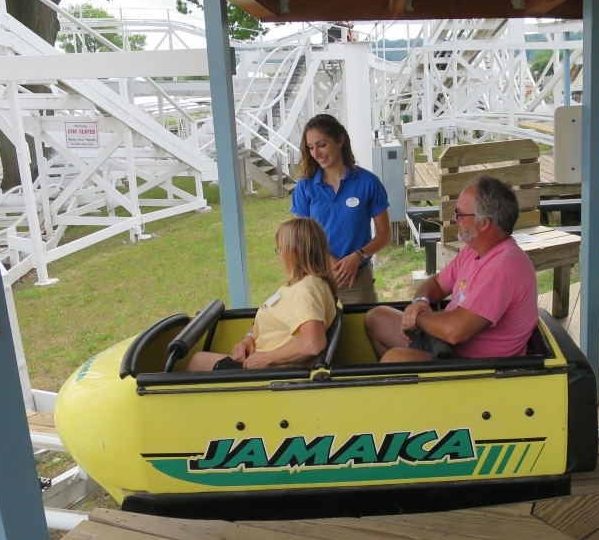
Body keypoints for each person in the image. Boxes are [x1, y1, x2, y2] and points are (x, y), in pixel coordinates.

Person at [365, 175, 538, 362]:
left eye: (460, 214)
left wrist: (418, 317)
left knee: (394, 359)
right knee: (376, 318)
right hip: (443, 344)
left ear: (484, 224)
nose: (454, 218)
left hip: (474, 366)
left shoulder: (504, 267)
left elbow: (455, 332)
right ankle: (400, 385)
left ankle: (400, 383)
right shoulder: (474, 250)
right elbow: (438, 284)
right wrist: (420, 302)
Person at [186, 218, 337, 370]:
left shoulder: (307, 290)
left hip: (269, 372)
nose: (279, 257)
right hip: (260, 361)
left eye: (281, 250)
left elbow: (313, 343)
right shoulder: (300, 283)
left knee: (198, 361)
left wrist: (266, 358)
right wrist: (248, 339)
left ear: (295, 251)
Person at [291, 114, 391, 304]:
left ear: (340, 140)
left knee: (367, 329)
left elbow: (385, 234)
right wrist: (330, 261)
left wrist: (357, 256)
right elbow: (300, 238)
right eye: (311, 148)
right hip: (315, 278)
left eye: (321, 144)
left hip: (357, 277)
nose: (316, 153)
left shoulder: (368, 182)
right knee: (317, 333)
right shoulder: (305, 187)